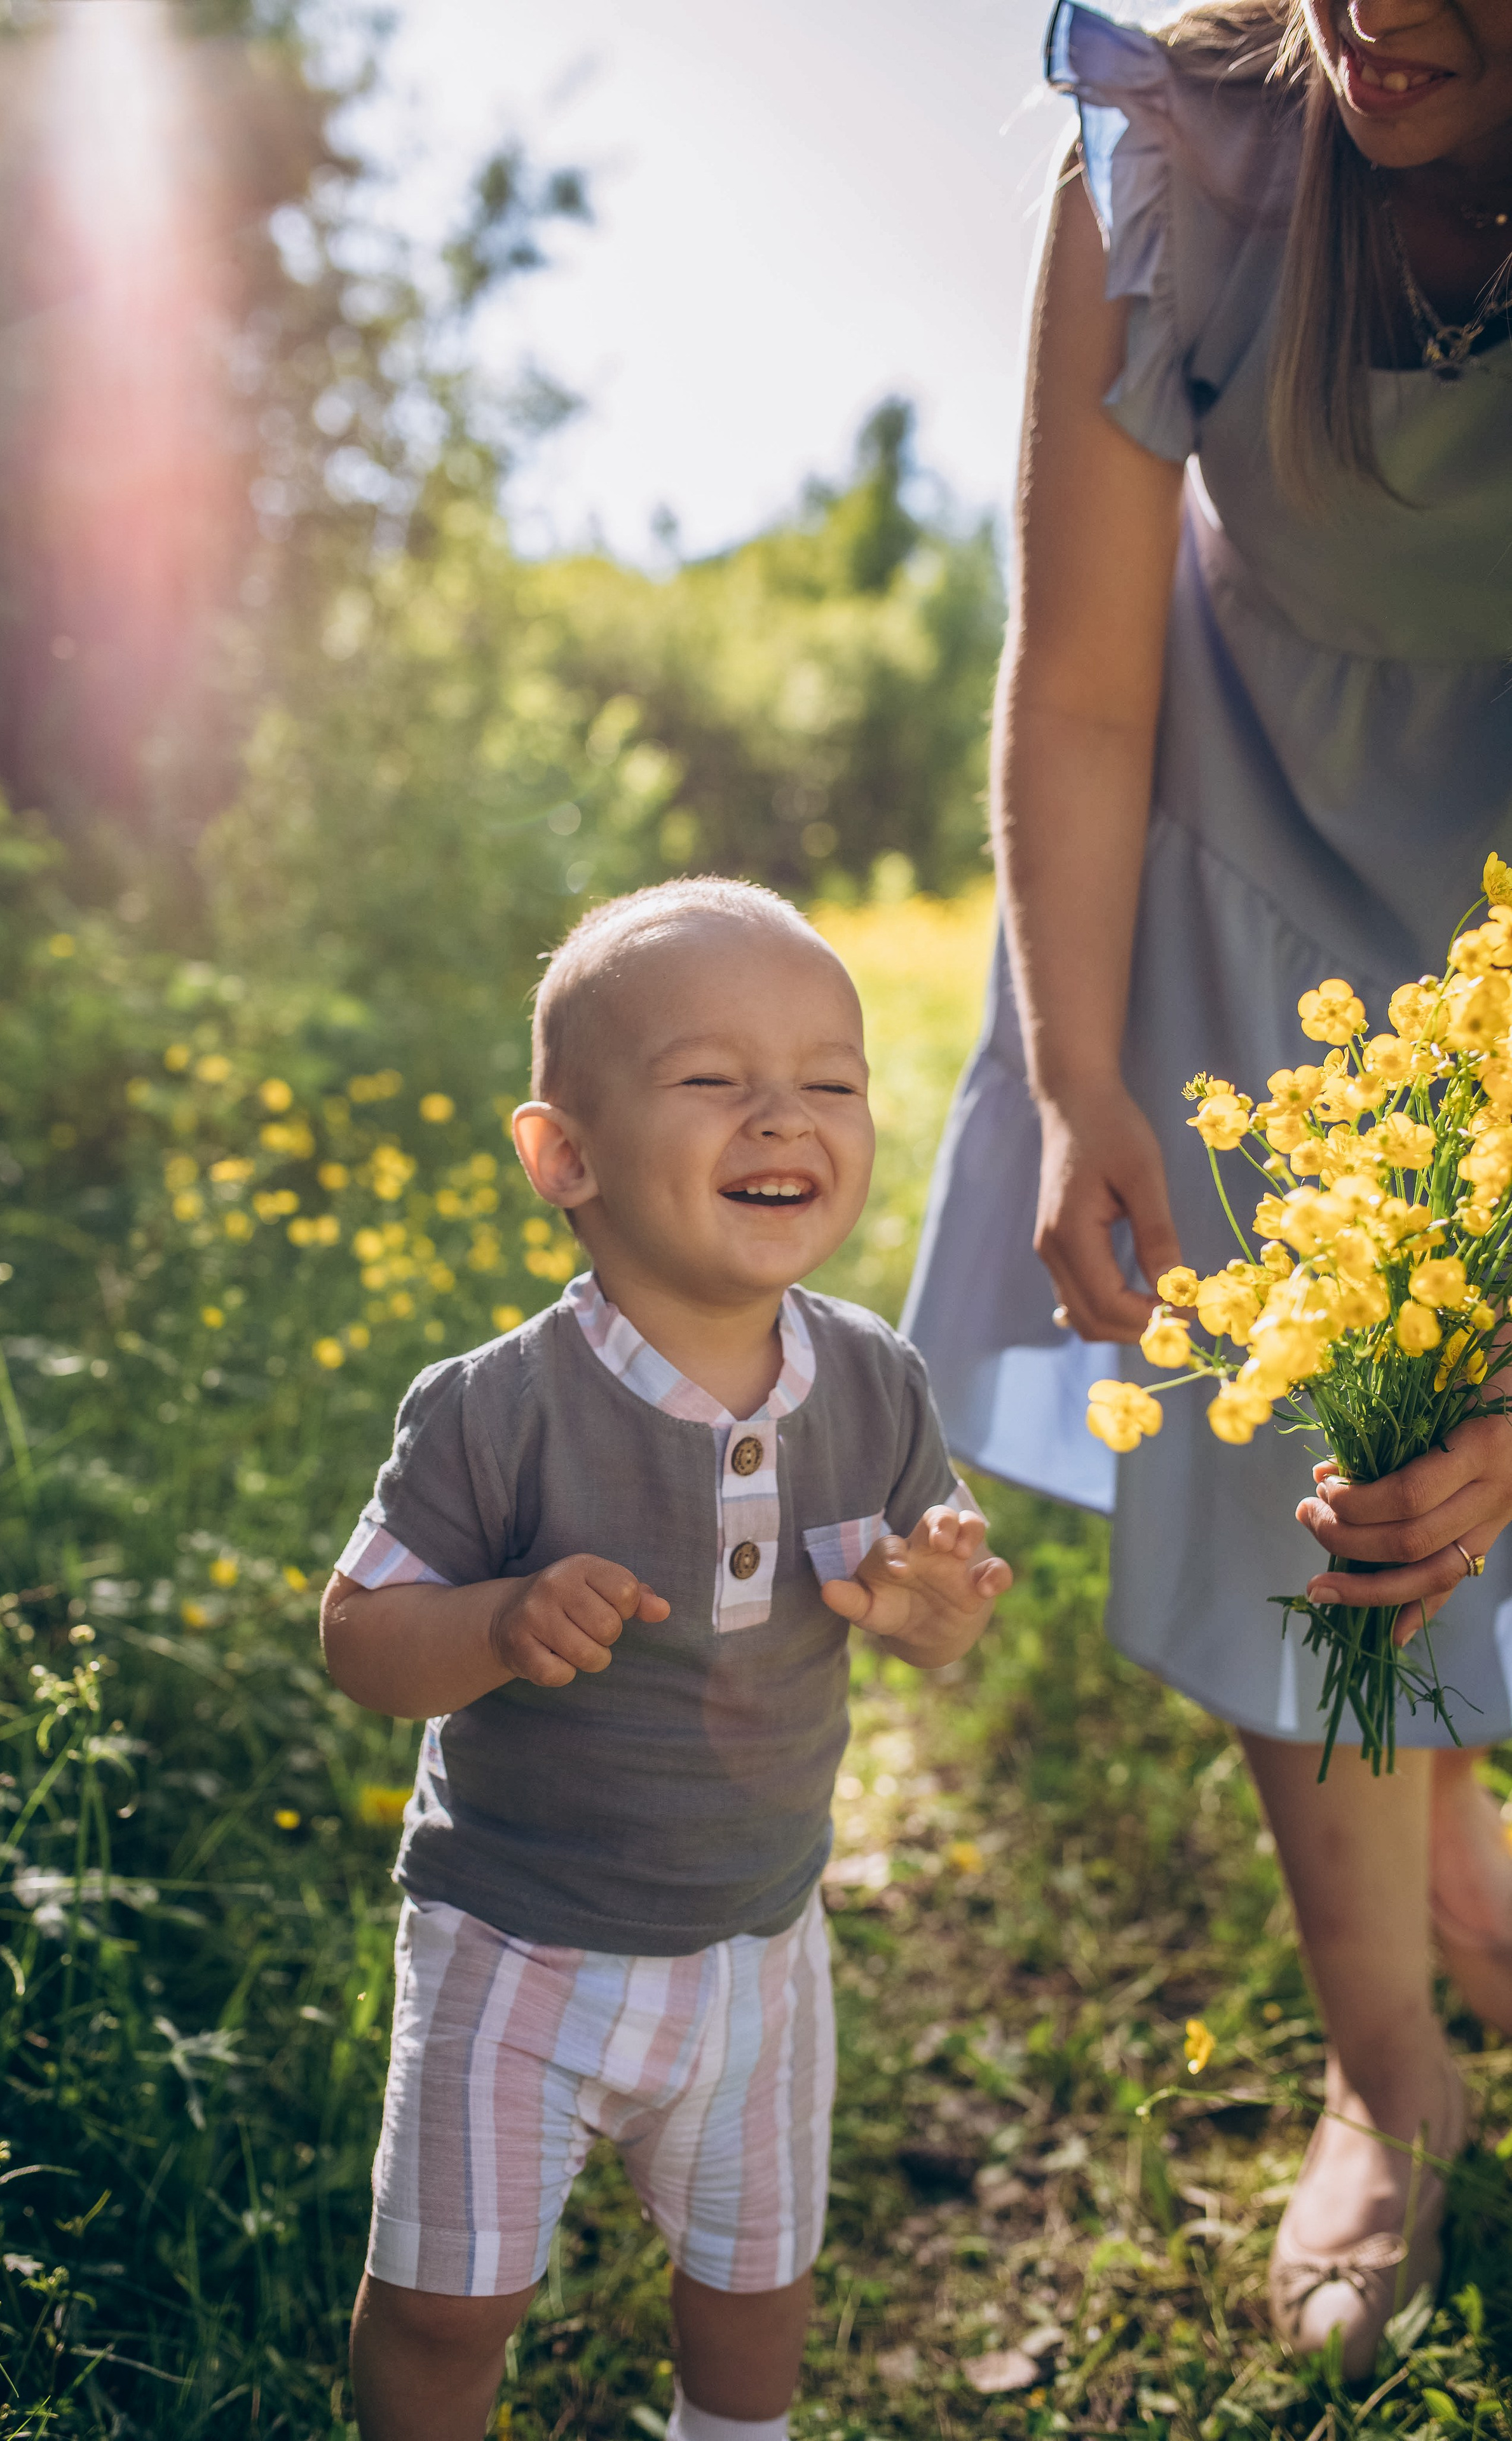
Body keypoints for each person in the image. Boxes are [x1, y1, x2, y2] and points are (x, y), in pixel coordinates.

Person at [904, 0, 1512, 2378]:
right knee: (1308, 1484)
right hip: (1235, 843)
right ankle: (1393, 2077)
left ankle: (1449, 1817)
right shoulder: (1178, 150)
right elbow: (1077, 677)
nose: (1384, 15)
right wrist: (1077, 1079)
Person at [320, 878, 1012, 2441]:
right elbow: (358, 1634)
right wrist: (493, 1625)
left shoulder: (876, 1383)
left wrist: (935, 1612)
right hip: (514, 1946)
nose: (784, 1116)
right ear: (564, 1156)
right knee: (443, 2306)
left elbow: (944, 1583)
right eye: (712, 1080)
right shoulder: (495, 1410)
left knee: (755, 2281)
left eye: (828, 1082)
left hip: (757, 1949)